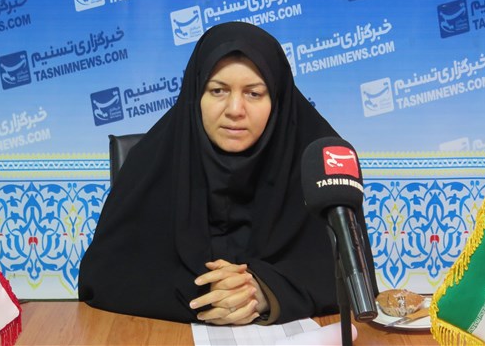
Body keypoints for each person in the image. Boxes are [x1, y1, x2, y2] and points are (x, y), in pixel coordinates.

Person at [78, 22, 376, 325]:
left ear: (277, 99)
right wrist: (211, 294)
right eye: (218, 90)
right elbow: (101, 277)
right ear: (196, 94)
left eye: (254, 93)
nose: (235, 109)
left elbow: (357, 280)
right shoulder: (151, 160)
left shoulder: (319, 163)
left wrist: (266, 292)